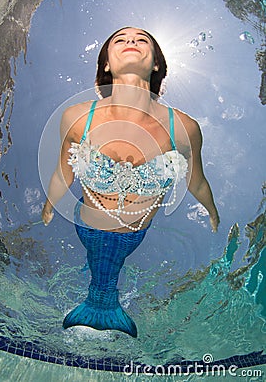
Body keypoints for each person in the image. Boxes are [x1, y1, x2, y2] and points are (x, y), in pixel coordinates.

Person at [42, 27, 220, 337]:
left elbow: (197, 181)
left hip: (134, 235)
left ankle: (102, 307)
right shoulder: (76, 118)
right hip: (88, 226)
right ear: (107, 64)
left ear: (155, 64)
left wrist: (212, 210)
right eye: (120, 40)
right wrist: (48, 206)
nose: (131, 42)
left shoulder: (184, 127)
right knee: (100, 272)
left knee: (112, 270)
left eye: (142, 40)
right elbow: (63, 171)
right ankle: (99, 305)